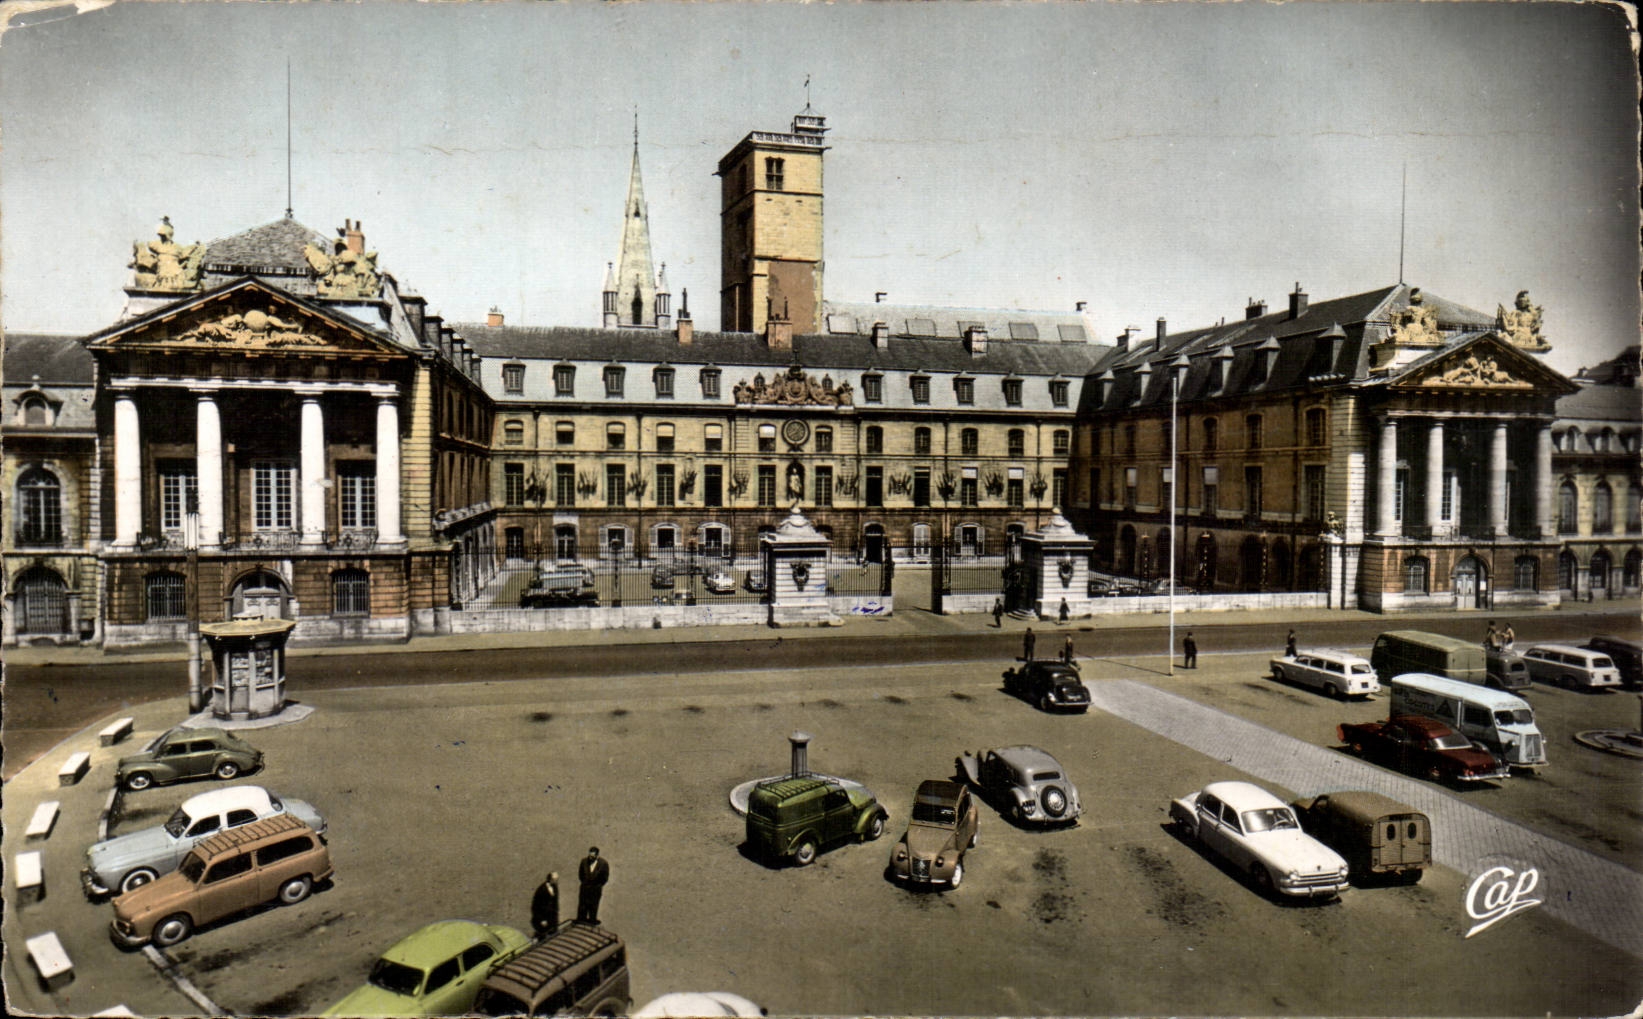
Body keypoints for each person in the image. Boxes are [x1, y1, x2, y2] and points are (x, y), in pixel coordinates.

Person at [577, 847, 610, 924]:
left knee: (593, 907)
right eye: (589, 856)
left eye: (592, 856)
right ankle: (581, 922)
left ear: (597, 855)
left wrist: (597, 886)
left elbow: (605, 878)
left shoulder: (603, 864)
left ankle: (592, 922)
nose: (590, 858)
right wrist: (586, 884)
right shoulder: (584, 862)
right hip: (584, 890)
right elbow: (580, 875)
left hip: (595, 890)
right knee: (582, 907)